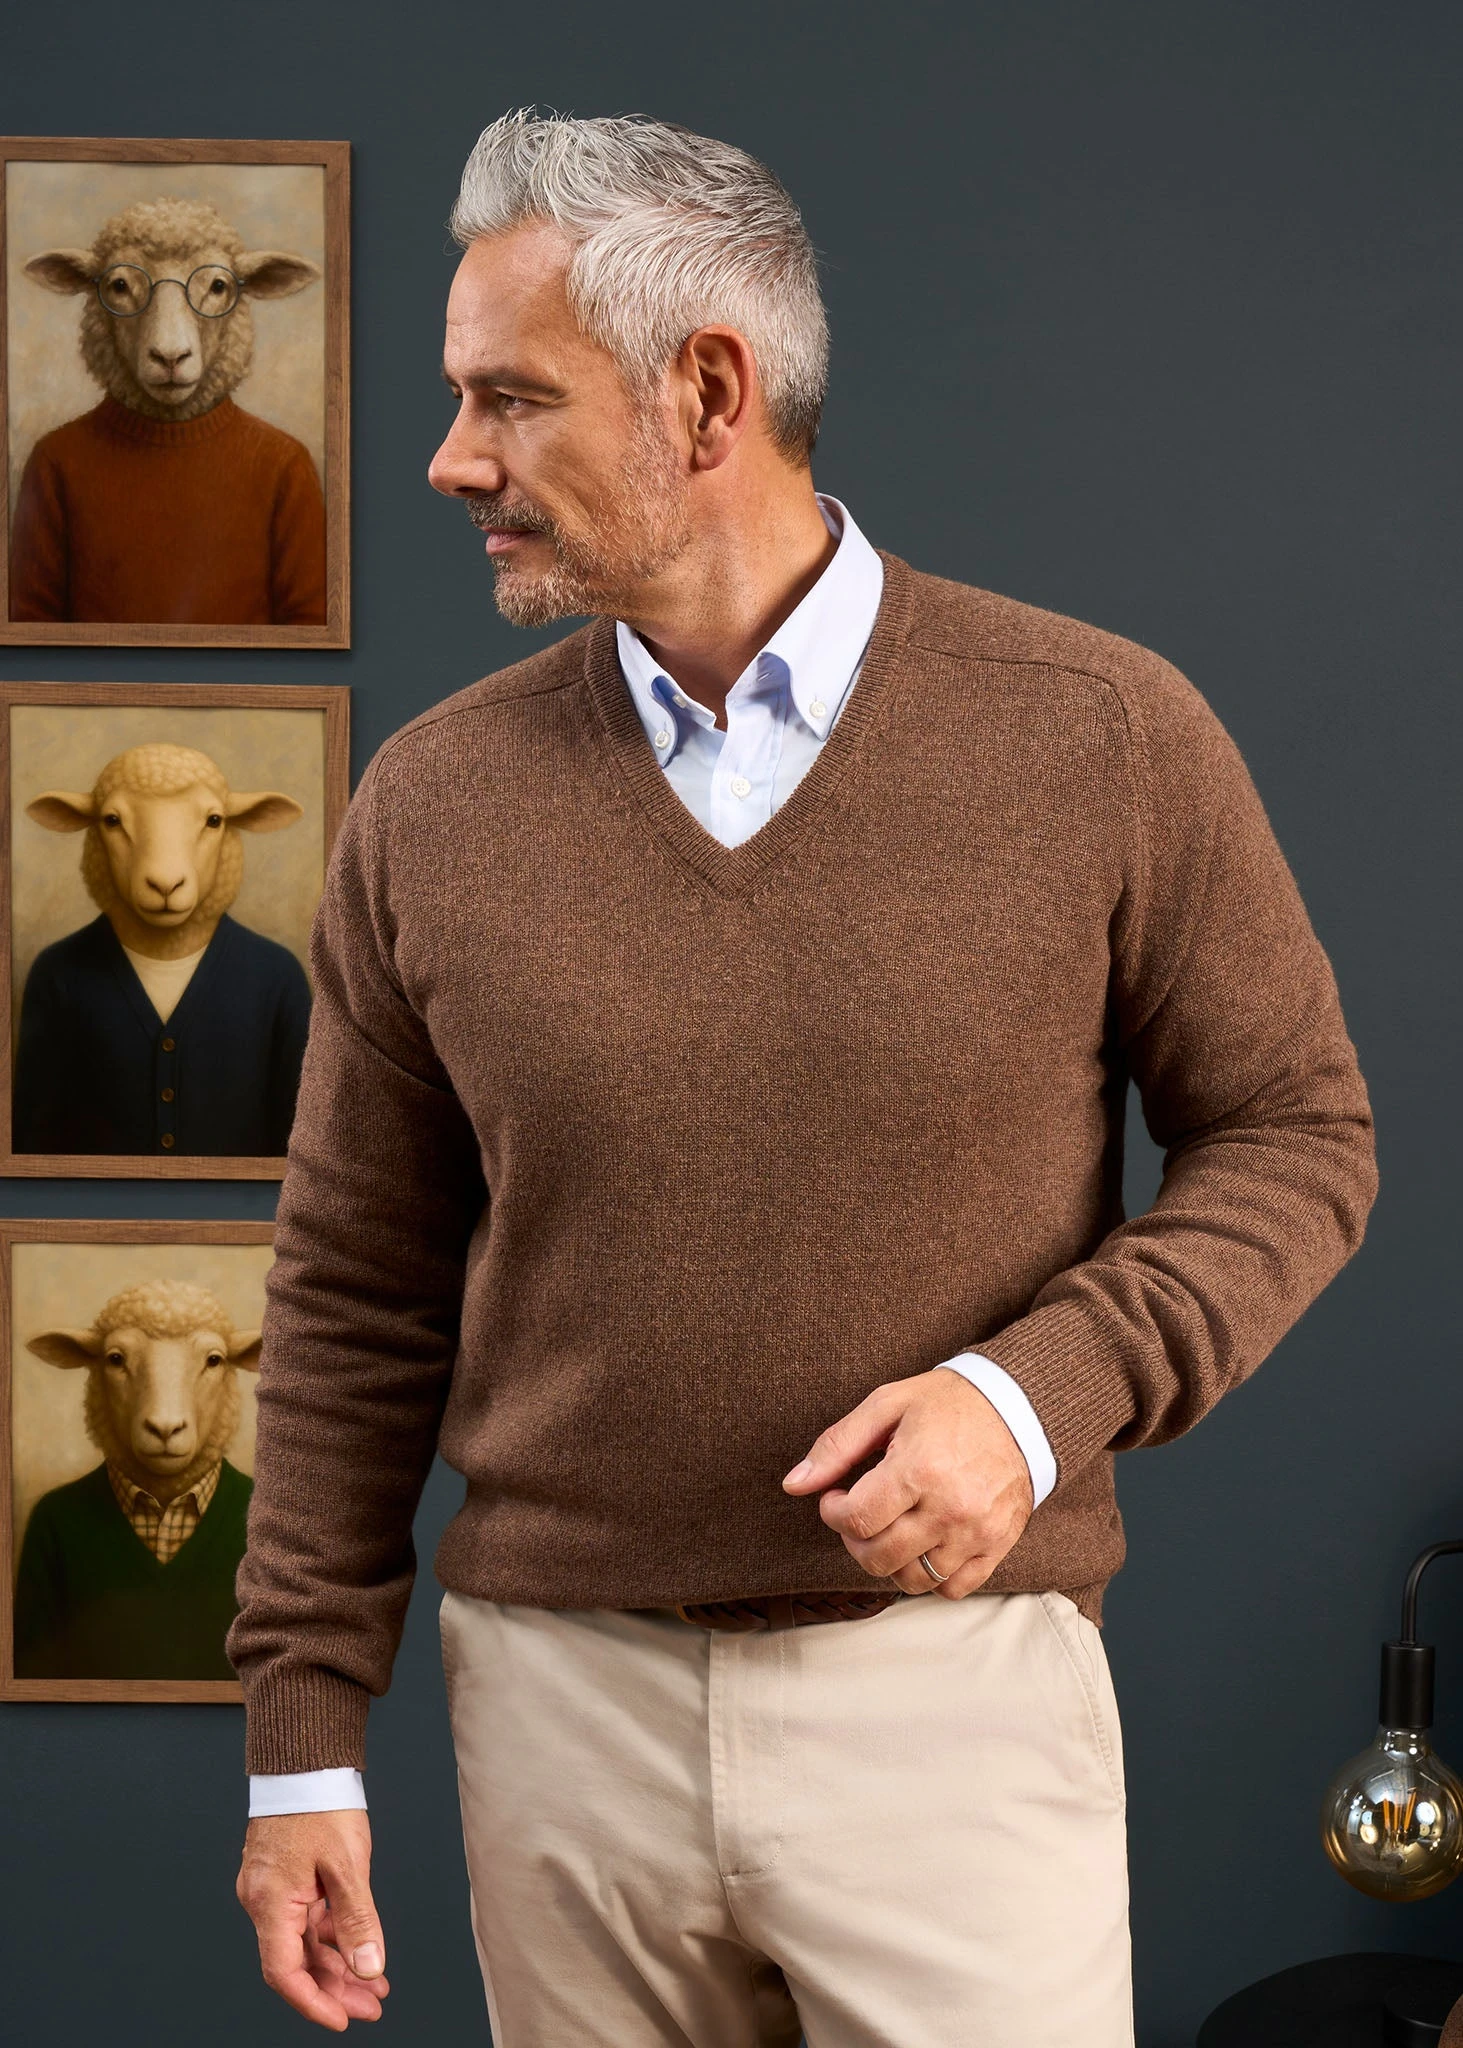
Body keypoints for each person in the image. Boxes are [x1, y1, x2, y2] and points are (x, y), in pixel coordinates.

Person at [228, 110, 1378, 2046]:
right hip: (557, 1719)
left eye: (509, 398)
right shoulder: (428, 804)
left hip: (955, 1697)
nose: (451, 459)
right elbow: (351, 1286)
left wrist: (1030, 1402)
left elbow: (1296, 1138)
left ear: (706, 393)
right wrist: (299, 1744)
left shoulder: (1100, 734)